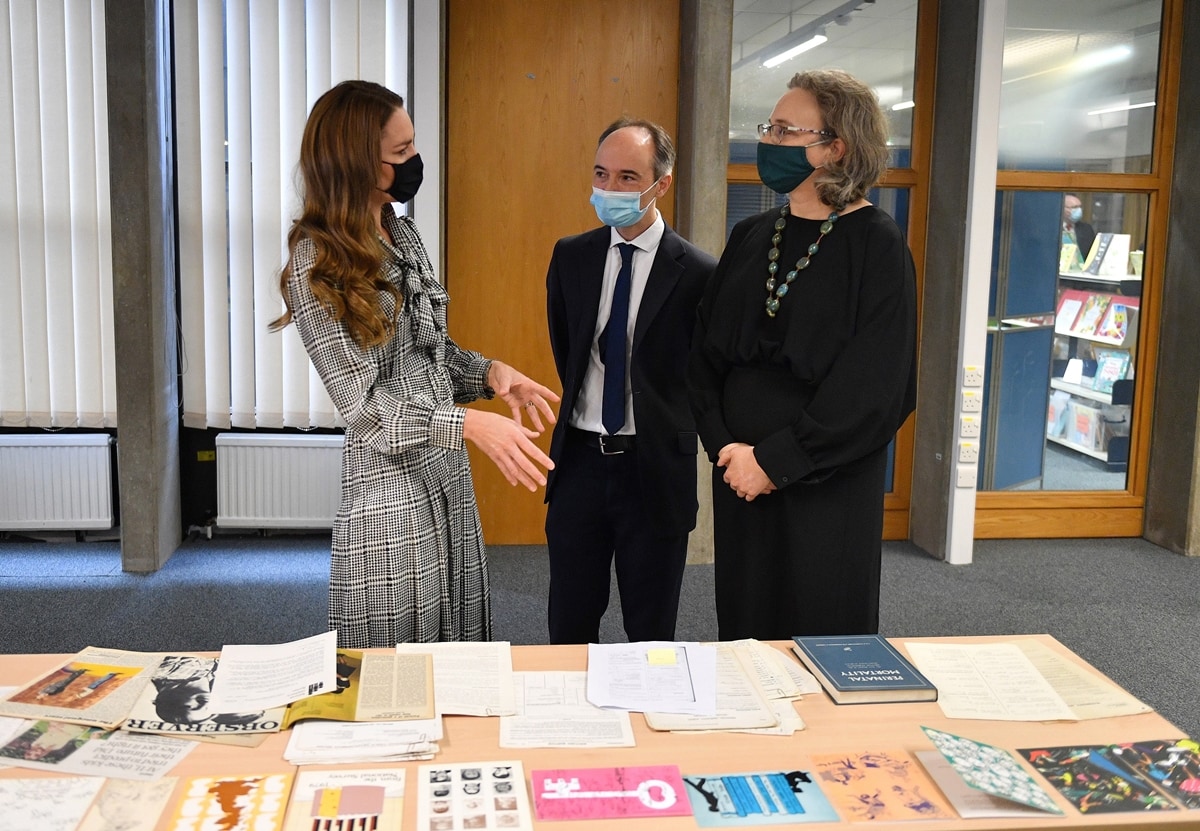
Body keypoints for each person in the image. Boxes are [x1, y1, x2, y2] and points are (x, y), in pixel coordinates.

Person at [272, 80, 559, 648]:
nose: (414, 161)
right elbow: (365, 408)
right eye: (399, 153)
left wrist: (490, 373)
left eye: (412, 146)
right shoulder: (318, 258)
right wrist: (468, 424)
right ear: (353, 162)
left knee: (457, 659)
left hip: (444, 478)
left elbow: (426, 355)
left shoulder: (398, 227)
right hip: (390, 499)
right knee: (393, 675)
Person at [688, 70, 917, 641]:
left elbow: (878, 388)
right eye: (769, 127)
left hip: (824, 481)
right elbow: (705, 354)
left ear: (835, 147)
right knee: (745, 628)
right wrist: (728, 449)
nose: (768, 141)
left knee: (821, 630)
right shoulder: (750, 234)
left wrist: (777, 460)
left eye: (785, 131)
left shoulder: (878, 245)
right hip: (738, 475)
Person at [543, 118, 716, 644]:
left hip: (654, 469)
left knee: (650, 627)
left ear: (659, 184)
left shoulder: (700, 273)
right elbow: (567, 350)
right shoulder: (571, 255)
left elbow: (703, 373)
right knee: (570, 620)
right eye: (601, 174)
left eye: (626, 177)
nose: (609, 189)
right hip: (579, 463)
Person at [1063, 194, 1096, 267]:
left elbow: (1092, 254)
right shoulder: (1053, 228)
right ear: (1063, 208)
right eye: (1074, 207)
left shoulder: (1086, 229)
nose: (1079, 210)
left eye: (1080, 207)